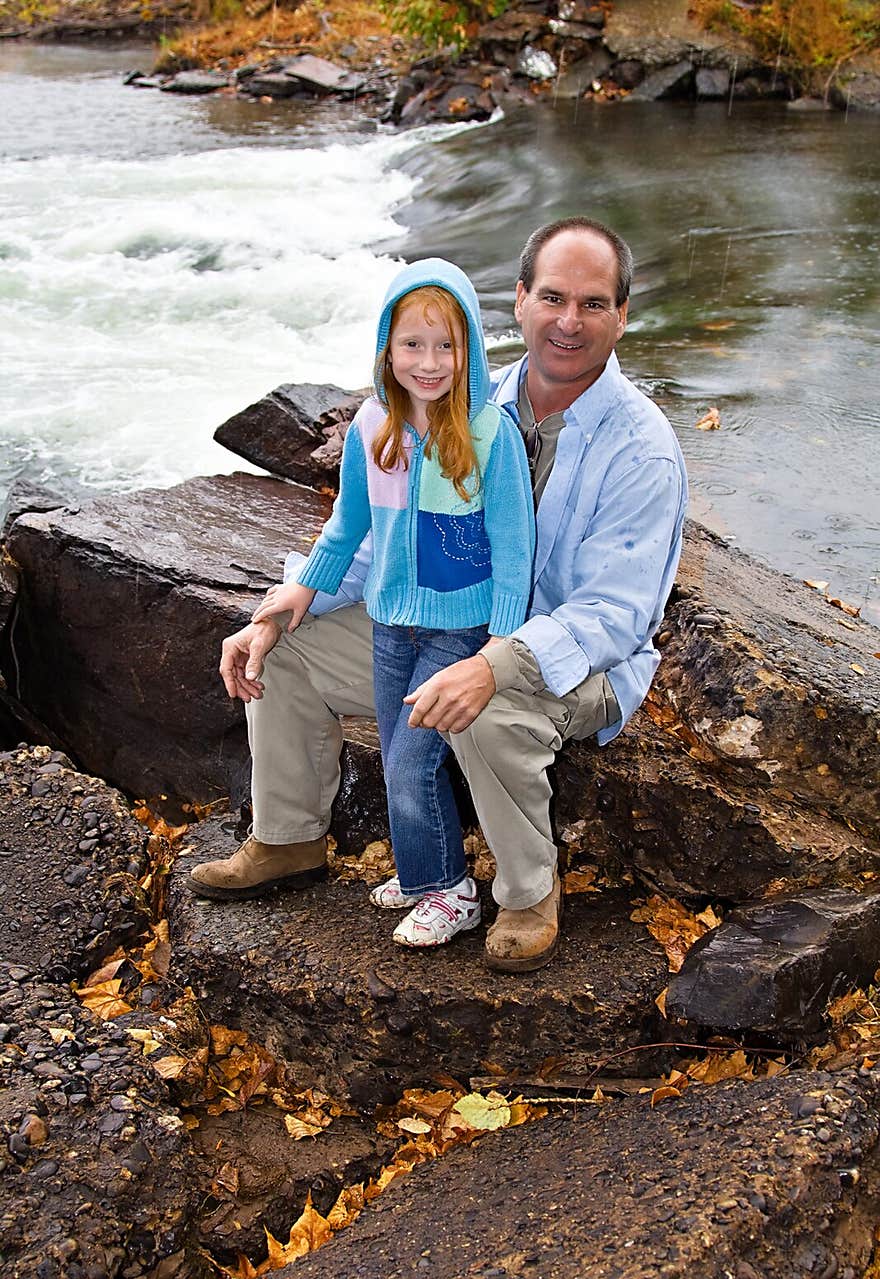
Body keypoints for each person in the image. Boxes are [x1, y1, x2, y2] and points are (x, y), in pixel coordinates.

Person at [187, 217, 689, 975]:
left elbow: (615, 616)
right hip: (445, 623)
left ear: (623, 313)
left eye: (592, 303)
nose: (568, 321)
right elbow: (387, 536)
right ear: (519, 300)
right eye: (552, 297)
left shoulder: (642, 450)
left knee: (481, 707)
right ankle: (288, 837)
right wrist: (287, 601)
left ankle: (526, 891)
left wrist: (497, 661)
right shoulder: (455, 398)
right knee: (282, 651)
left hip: (578, 660)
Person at [201, 258, 535, 949]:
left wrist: (502, 643)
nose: (430, 361)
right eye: (412, 344)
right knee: (394, 754)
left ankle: (449, 890)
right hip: (389, 624)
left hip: (459, 628)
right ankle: (420, 875)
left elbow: (514, 548)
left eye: (448, 345)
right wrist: (299, 594)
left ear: (472, 348)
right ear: (387, 347)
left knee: (414, 761)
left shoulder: (489, 434)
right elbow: (348, 527)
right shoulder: (372, 427)